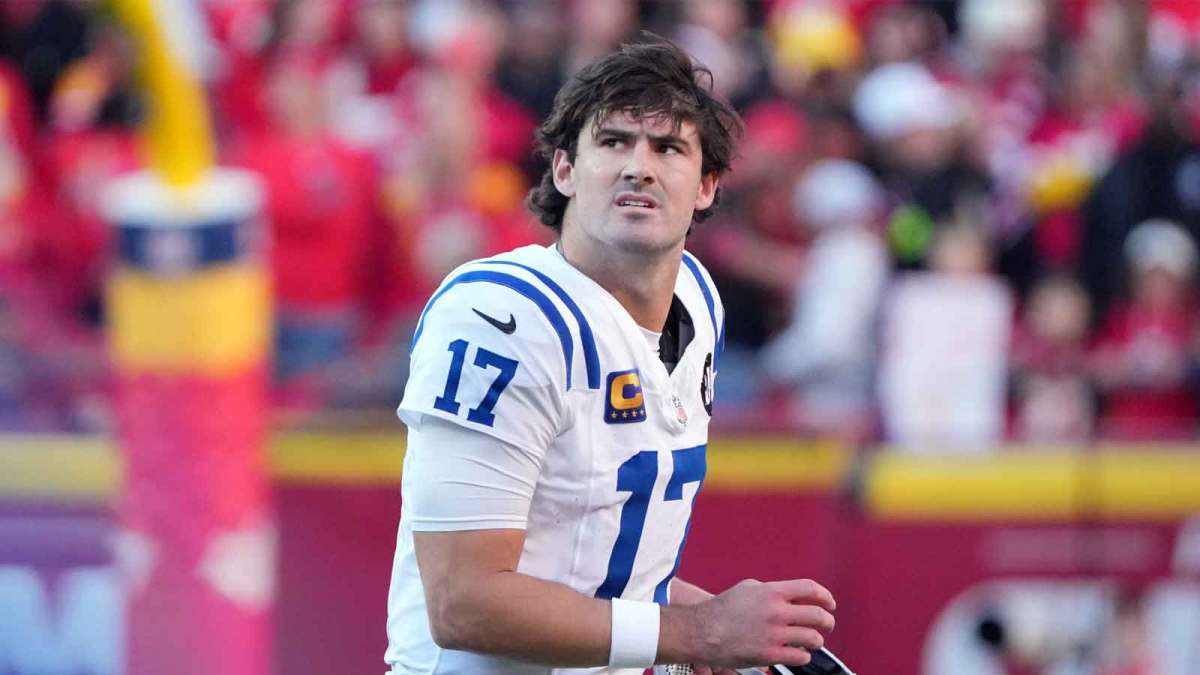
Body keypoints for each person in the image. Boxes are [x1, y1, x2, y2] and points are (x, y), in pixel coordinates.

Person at [385, 38, 838, 675]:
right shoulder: (502, 319)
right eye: (614, 141)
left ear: (706, 186)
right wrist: (695, 633)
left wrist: (740, 635)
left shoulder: (696, 298)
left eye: (668, 147)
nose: (639, 167)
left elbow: (592, 562)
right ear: (565, 170)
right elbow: (464, 603)